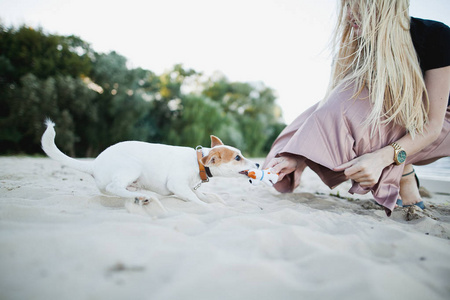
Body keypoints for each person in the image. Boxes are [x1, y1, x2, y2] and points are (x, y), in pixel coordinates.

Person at [264, 0, 450, 216]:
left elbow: (431, 126)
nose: (350, 14)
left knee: (348, 112)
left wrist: (381, 158)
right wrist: (297, 156)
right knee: (286, 146)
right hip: (392, 121)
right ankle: (400, 169)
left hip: (440, 128)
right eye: (348, 5)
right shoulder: (357, 48)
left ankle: (404, 174)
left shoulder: (436, 37)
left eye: (359, 6)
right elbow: (332, 117)